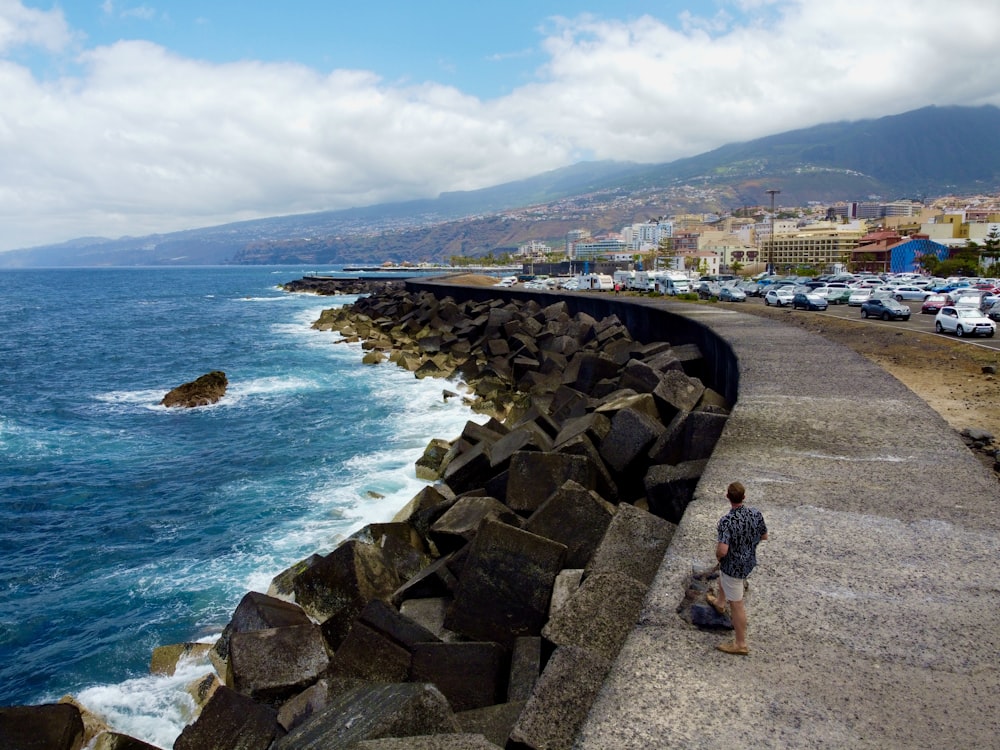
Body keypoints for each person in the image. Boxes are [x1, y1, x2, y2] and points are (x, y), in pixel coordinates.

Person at [706, 481, 768, 655]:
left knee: (737, 603)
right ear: (744, 497)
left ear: (727, 497)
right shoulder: (756, 514)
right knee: (723, 578)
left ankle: (740, 644)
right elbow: (764, 536)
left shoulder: (726, 522)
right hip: (748, 561)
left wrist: (719, 556)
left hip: (734, 566)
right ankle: (719, 602)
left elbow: (723, 550)